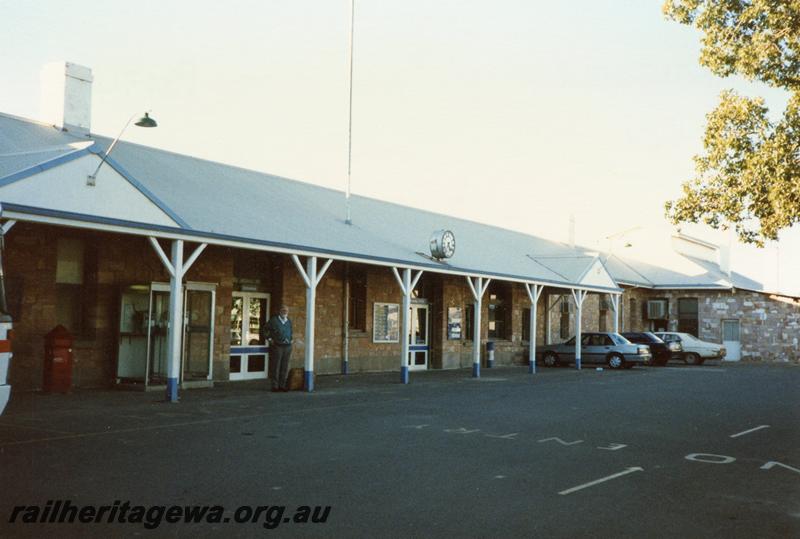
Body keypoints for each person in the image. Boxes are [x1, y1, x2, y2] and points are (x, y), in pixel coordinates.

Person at [264, 304, 293, 392]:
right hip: (277, 346)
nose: (285, 312)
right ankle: (275, 386)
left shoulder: (288, 321)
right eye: (283, 310)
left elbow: (291, 331)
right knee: (276, 366)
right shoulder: (274, 320)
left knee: (284, 366)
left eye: (286, 311)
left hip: (287, 346)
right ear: (280, 311)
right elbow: (265, 329)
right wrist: (269, 339)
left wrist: (291, 339)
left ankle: (282, 385)